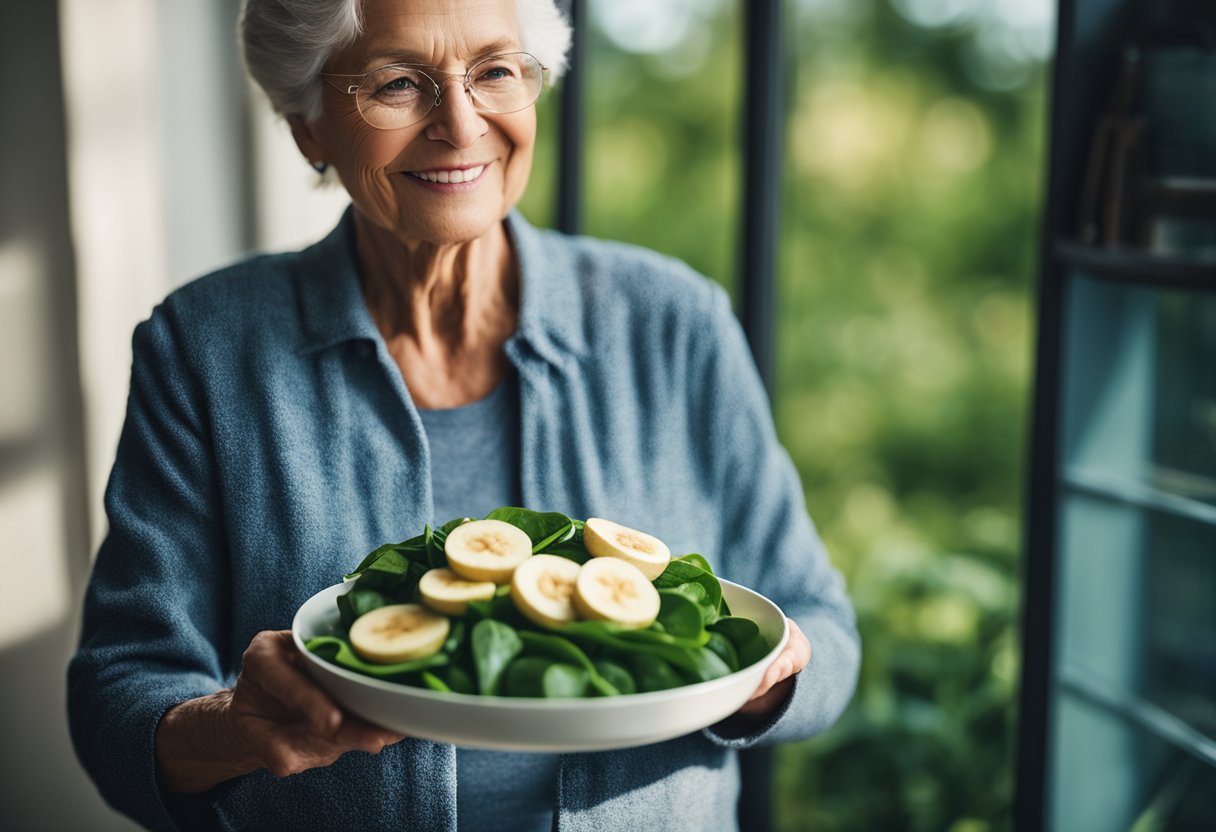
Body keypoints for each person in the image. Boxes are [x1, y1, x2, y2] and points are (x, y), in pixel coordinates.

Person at [67, 1, 860, 830]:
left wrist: (741, 684)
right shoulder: (204, 349)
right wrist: (233, 730)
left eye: (495, 71)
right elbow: (117, 698)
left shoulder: (675, 321)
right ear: (307, 126)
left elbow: (822, 629)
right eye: (397, 83)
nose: (461, 122)